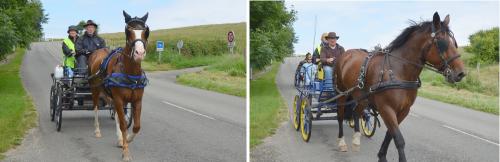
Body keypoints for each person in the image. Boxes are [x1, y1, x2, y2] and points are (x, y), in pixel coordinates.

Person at [318, 32, 345, 118]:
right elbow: (321, 58)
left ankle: (344, 90)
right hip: (328, 66)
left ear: (336, 39)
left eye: (334, 39)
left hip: (338, 67)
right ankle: (329, 92)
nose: (332, 40)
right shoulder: (324, 48)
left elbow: (345, 58)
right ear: (328, 40)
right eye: (331, 39)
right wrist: (327, 60)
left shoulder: (341, 48)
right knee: (328, 70)